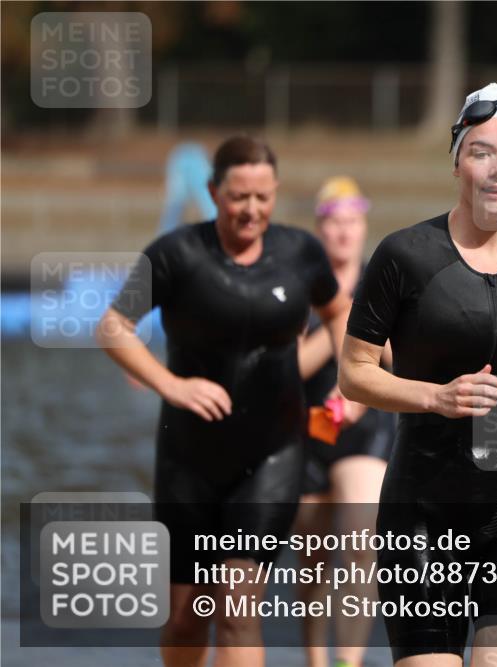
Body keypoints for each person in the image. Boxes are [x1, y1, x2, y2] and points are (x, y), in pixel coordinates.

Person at [338, 82, 497, 666]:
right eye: (482, 152)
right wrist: (435, 398)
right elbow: (354, 374)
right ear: (458, 165)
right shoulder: (404, 255)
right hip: (422, 511)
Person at [96, 136, 351, 667]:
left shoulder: (301, 252)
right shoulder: (175, 254)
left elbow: (340, 314)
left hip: (274, 452)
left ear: (275, 193)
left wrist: (345, 385)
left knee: (237, 605)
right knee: (189, 612)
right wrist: (172, 385)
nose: (251, 210)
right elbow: (113, 326)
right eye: (238, 197)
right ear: (214, 192)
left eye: (262, 197)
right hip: (189, 456)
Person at [294, 176, 395, 667]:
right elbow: (289, 367)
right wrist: (341, 317)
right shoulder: (298, 288)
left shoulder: (383, 282)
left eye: (351, 223)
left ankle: (348, 661)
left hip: (365, 429)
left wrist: (357, 370)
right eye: (333, 224)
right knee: (312, 561)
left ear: (363, 227)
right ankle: (317, 660)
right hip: (308, 428)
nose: (343, 233)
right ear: (320, 228)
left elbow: (402, 356)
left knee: (359, 543)